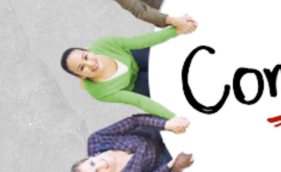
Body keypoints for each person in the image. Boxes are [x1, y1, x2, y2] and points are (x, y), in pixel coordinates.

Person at [60, 26, 188, 119]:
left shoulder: (103, 44)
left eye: (86, 57)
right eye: (82, 67)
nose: (90, 64)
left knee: (171, 60)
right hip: (135, 84)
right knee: (169, 86)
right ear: (81, 76)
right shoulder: (99, 92)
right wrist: (173, 118)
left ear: (88, 51)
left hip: (133, 58)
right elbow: (139, 101)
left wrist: (175, 30)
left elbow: (141, 41)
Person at [69, 114, 191, 172]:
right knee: (192, 150)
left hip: (150, 131)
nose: (101, 164)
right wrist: (172, 164)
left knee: (185, 121)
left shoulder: (97, 140)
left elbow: (134, 121)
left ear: (89, 157)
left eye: (92, 163)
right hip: (162, 159)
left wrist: (166, 125)